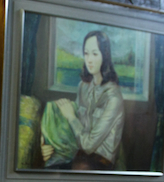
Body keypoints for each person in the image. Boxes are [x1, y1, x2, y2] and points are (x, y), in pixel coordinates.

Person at [41, 30, 125, 170]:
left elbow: (88, 145)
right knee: (50, 166)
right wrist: (45, 141)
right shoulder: (83, 87)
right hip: (80, 155)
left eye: (95, 54)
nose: (89, 60)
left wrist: (71, 117)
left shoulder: (113, 97)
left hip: (101, 162)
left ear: (105, 56)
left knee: (74, 168)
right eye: (86, 53)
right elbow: (74, 129)